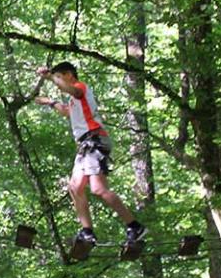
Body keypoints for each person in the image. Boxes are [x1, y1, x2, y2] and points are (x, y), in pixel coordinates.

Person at [32, 62, 143, 256]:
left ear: (69, 75)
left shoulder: (80, 88)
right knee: (74, 187)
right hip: (86, 145)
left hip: (95, 139)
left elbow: (72, 92)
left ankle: (135, 226)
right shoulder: (75, 102)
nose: (58, 83)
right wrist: (50, 102)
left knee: (98, 189)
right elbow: (67, 111)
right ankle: (87, 232)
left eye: (60, 77)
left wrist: (50, 76)